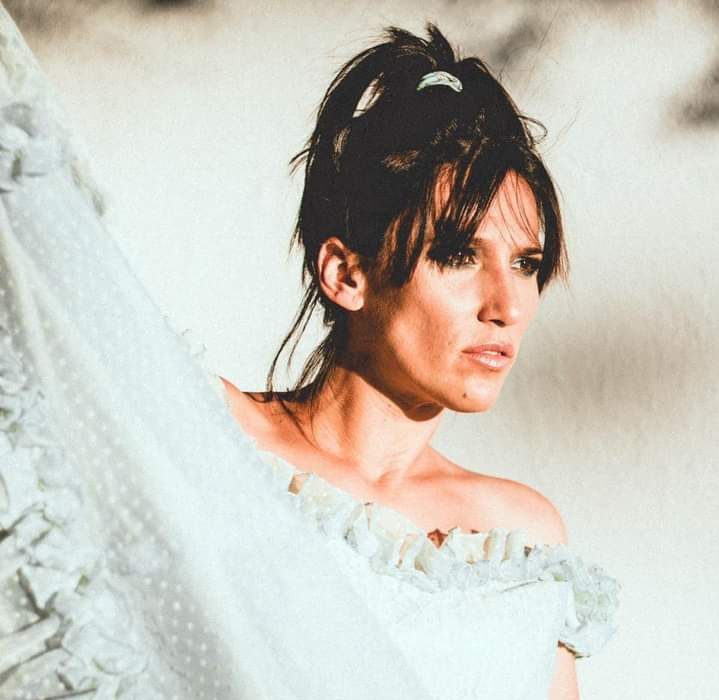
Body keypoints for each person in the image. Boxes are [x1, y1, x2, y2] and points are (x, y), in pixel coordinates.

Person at [0, 8, 618, 700]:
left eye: (527, 263)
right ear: (345, 275)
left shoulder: (522, 539)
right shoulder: (211, 436)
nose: (506, 304)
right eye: (456, 255)